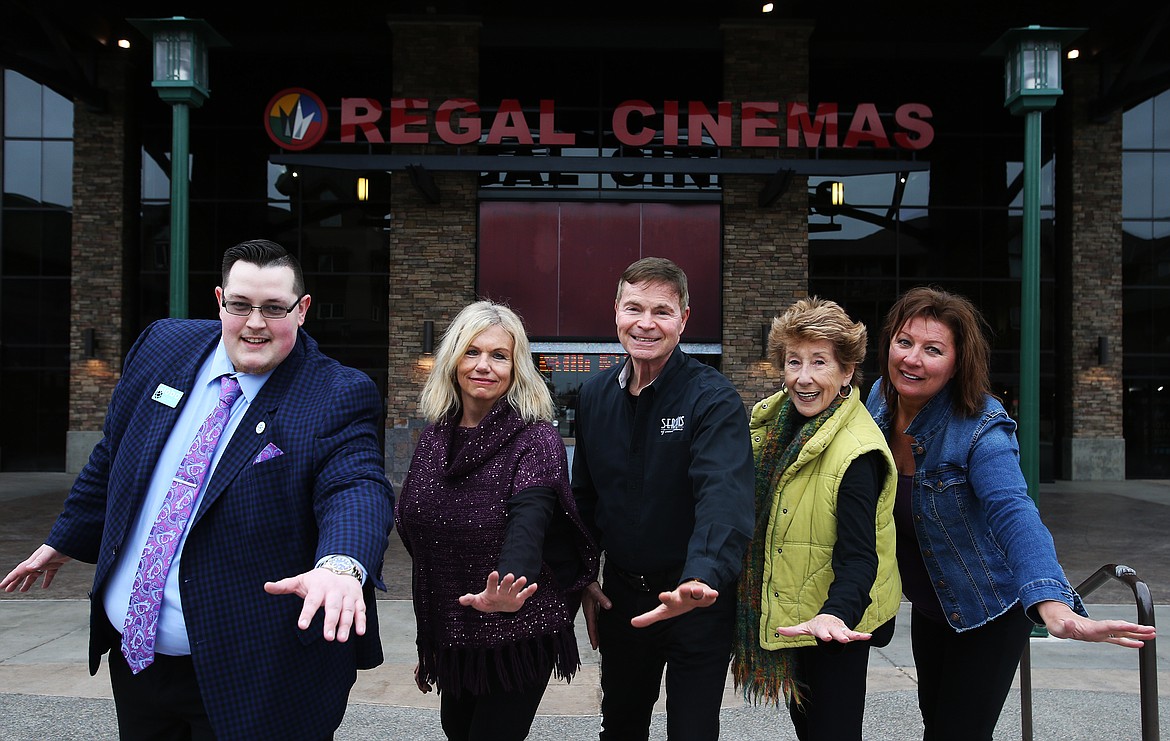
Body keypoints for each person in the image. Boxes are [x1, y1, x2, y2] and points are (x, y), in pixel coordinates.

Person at [0, 239, 395, 740]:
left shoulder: (336, 393)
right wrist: (65, 538)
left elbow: (356, 485)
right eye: (240, 305)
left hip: (252, 675)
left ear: (303, 310)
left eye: (274, 308)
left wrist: (341, 564)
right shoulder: (163, 345)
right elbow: (115, 453)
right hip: (136, 657)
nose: (255, 323)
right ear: (219, 300)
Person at [865, 285, 1157, 741]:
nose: (912, 359)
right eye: (905, 342)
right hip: (929, 607)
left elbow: (1013, 511)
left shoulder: (981, 426)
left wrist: (1052, 603)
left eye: (933, 349)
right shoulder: (880, 400)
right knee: (935, 725)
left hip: (987, 611)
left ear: (959, 362)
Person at [396, 300, 599, 741]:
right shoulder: (434, 438)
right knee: (456, 729)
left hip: (518, 624)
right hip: (457, 625)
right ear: (453, 360)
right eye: (472, 352)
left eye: (499, 355)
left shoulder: (535, 437)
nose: (483, 366)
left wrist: (512, 585)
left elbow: (531, 518)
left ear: (516, 367)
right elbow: (415, 525)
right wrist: (434, 634)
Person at [571, 256, 755, 740]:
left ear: (684, 319)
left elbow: (724, 493)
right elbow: (584, 500)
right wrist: (584, 573)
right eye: (634, 308)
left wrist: (701, 576)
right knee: (621, 726)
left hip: (696, 599)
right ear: (615, 311)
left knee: (693, 731)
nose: (646, 324)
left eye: (662, 311)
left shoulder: (712, 398)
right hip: (625, 597)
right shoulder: (592, 397)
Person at [732, 297, 900, 741]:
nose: (803, 378)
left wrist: (836, 616)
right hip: (795, 610)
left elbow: (861, 556)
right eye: (793, 362)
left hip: (836, 621)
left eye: (819, 362)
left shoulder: (856, 452)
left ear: (847, 372)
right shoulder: (773, 427)